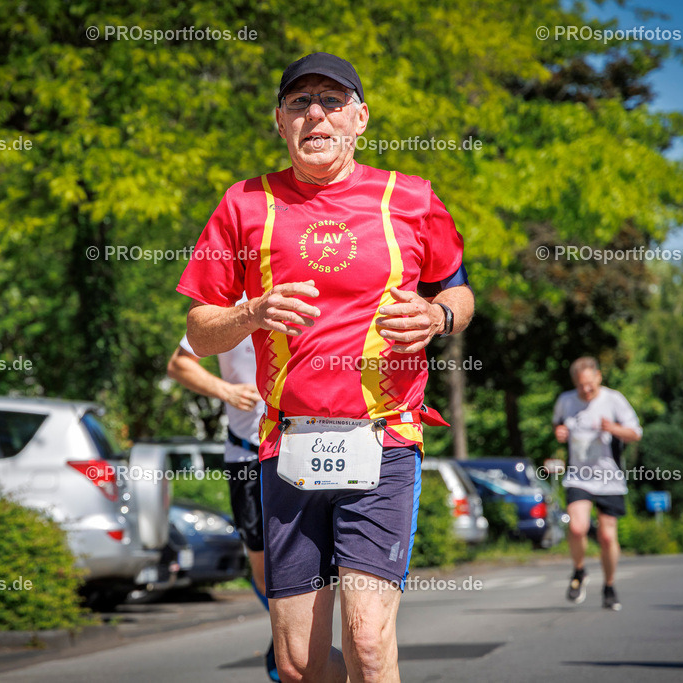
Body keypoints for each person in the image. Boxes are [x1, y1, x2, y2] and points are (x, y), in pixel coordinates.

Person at [175, 52, 474, 683]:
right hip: (287, 443)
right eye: (300, 102)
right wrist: (252, 311)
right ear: (278, 121)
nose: (316, 113)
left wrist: (439, 318)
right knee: (299, 663)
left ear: (361, 118)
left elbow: (458, 290)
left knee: (367, 643)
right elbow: (199, 332)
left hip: (384, 436)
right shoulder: (243, 203)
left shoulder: (410, 197)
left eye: (333, 101)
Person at [165, 320, 279, 680]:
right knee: (260, 562)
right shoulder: (231, 308)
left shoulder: (305, 287)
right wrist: (226, 391)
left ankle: (299, 647)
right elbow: (179, 363)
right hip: (246, 455)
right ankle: (289, 636)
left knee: (310, 555)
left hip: (301, 450)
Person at [553, 356, 642, 611]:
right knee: (578, 527)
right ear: (575, 383)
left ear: (599, 377)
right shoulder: (566, 401)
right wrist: (559, 433)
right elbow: (558, 427)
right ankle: (579, 571)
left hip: (609, 478)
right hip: (578, 477)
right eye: (581, 385)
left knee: (606, 536)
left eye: (590, 384)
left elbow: (636, 433)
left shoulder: (613, 400)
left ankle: (610, 586)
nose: (586, 390)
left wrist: (614, 428)